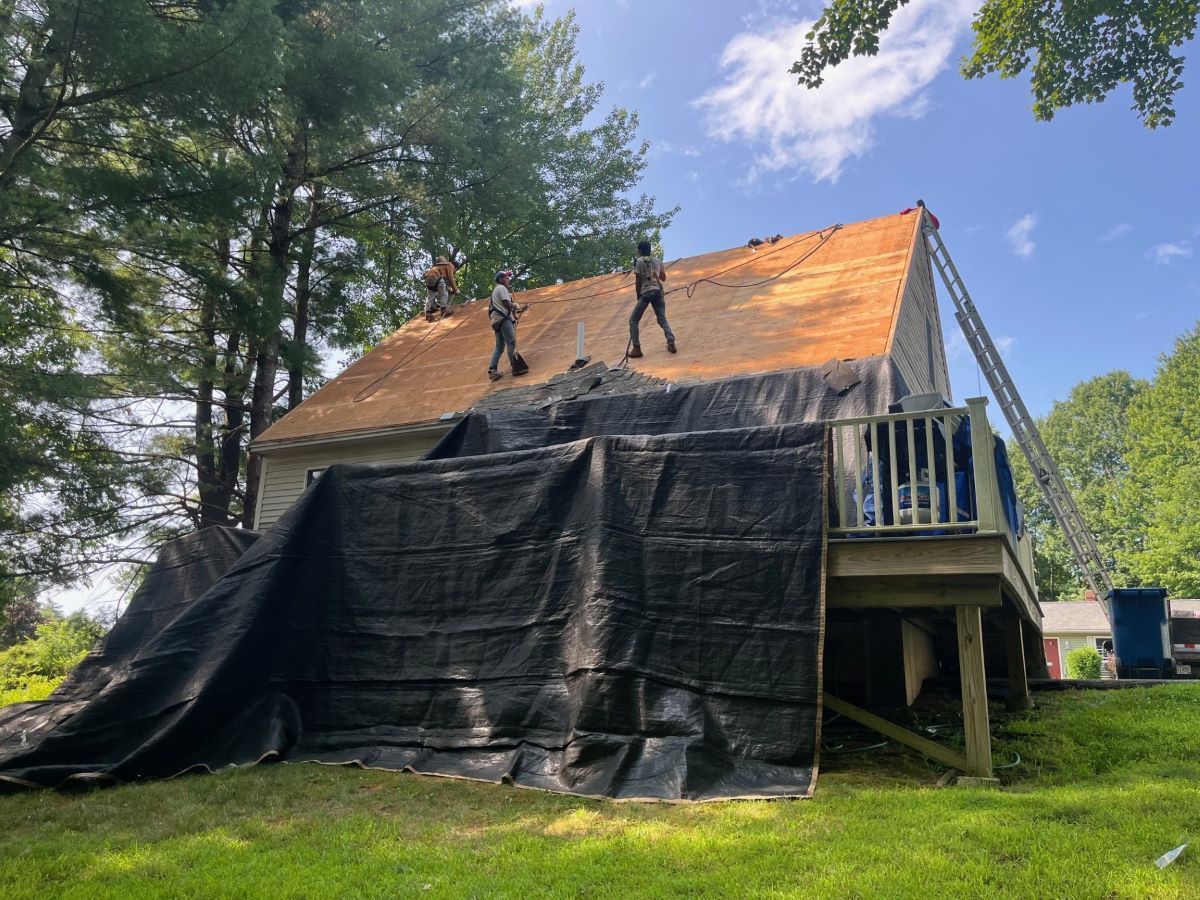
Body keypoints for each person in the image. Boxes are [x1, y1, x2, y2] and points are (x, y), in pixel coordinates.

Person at [628, 240, 676, 358]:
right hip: (658, 292)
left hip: (646, 293)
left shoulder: (639, 262)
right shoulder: (657, 261)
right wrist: (655, 273)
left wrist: (638, 296)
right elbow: (663, 278)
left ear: (640, 250)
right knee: (662, 319)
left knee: (633, 321)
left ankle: (636, 348)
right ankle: (670, 340)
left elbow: (638, 281)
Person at [488, 269, 527, 381]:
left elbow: (505, 307)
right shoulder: (501, 288)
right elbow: (507, 304)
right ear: (500, 279)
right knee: (511, 342)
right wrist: (515, 305)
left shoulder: (496, 291)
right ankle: (516, 367)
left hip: (496, 321)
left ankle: (492, 370)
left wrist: (519, 309)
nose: (508, 280)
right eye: (506, 278)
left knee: (500, 347)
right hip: (503, 320)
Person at [424, 255, 459, 322]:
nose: (454, 272)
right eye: (455, 270)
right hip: (436, 277)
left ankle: (428, 313)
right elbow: (451, 278)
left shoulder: (439, 267)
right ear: (455, 267)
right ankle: (444, 310)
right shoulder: (450, 265)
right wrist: (455, 289)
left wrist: (451, 291)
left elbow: (442, 285)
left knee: (430, 296)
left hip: (428, 278)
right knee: (444, 293)